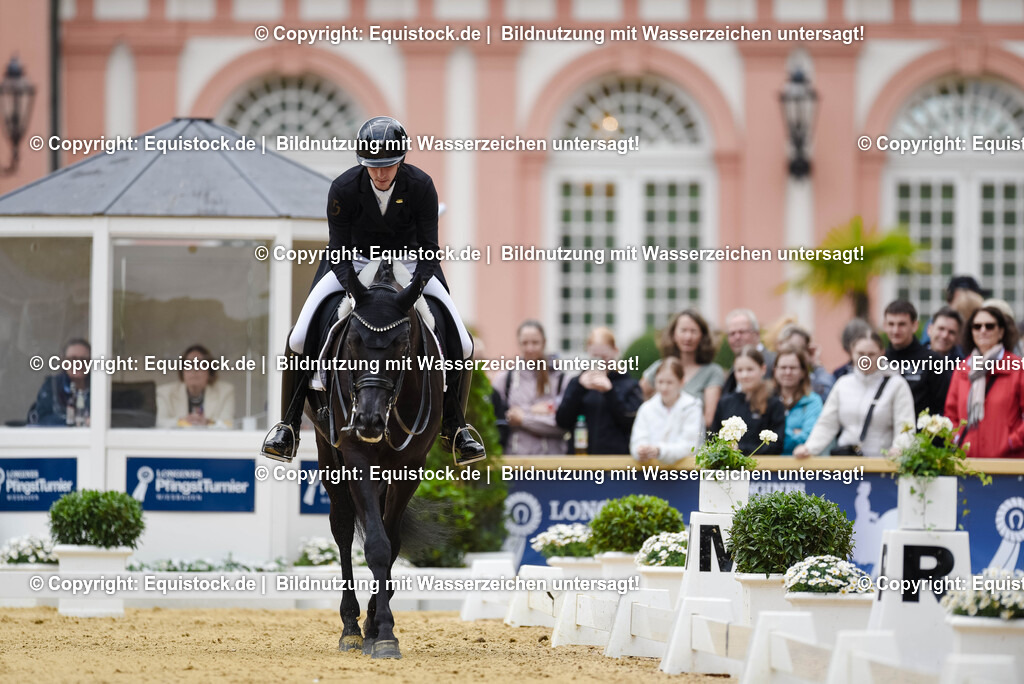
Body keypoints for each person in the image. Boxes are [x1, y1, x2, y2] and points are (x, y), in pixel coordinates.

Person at [261, 116, 485, 465]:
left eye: (388, 165)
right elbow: (337, 250)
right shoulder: (344, 187)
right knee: (300, 335)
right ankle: (287, 426)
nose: (380, 173)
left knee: (464, 342)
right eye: (373, 166)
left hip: (411, 261)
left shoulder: (421, 186)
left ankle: (456, 428)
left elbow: (430, 250)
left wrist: (412, 293)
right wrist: (356, 293)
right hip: (354, 260)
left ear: (402, 159)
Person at [795, 331, 915, 459]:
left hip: (882, 463)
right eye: (861, 354)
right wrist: (809, 448)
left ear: (882, 353)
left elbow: (905, 426)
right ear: (852, 353)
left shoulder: (897, 385)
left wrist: (900, 448)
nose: (865, 359)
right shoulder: (842, 384)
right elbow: (827, 424)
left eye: (871, 354)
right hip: (846, 462)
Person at [944, 305, 1024, 458]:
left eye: (989, 326)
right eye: (977, 326)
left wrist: (1012, 441)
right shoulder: (962, 369)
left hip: (1008, 462)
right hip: (967, 461)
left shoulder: (1017, 368)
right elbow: (951, 414)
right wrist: (957, 438)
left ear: (1001, 332)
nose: (983, 330)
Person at [556, 327, 643, 455]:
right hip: (581, 459)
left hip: (616, 461)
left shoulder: (628, 384)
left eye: (604, 357)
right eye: (595, 357)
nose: (600, 362)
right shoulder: (577, 383)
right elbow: (562, 421)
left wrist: (610, 392)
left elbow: (633, 423)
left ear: (615, 351)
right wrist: (579, 388)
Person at [639, 309, 725, 428]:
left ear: (702, 336)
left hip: (693, 436)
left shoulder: (712, 372)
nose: (688, 337)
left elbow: (709, 419)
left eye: (693, 331)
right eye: (683, 330)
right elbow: (637, 396)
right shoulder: (660, 367)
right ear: (673, 334)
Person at [493, 320, 569, 455]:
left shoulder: (561, 379)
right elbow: (498, 419)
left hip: (553, 460)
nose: (530, 348)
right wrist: (537, 412)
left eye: (535, 342)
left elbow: (563, 424)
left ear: (544, 342)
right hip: (515, 459)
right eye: (525, 343)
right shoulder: (505, 379)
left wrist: (522, 418)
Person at [711, 346, 785, 455]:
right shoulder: (725, 403)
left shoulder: (774, 404)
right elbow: (713, 438)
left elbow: (776, 445)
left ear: (763, 369)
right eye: (739, 370)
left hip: (762, 465)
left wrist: (740, 450)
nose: (744, 375)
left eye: (750, 369)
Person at [630, 357, 704, 465]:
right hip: (650, 472)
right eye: (660, 382)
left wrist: (659, 451)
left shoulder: (692, 406)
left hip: (685, 472)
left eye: (670, 382)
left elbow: (689, 446)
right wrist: (641, 451)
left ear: (681, 382)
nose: (664, 388)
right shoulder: (646, 408)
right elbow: (637, 441)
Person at [883, 299, 949, 416]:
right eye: (891, 324)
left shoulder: (933, 361)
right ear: (885, 326)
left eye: (902, 324)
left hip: (921, 427)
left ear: (914, 325)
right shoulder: (880, 360)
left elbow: (944, 407)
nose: (895, 330)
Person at [156, 344, 236, 428]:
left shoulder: (225, 392)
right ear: (182, 371)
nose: (194, 370)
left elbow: (229, 425)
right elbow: (159, 424)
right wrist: (182, 422)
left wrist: (208, 422)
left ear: (209, 371)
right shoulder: (165, 393)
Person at [28, 338, 91, 427]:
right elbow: (41, 419)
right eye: (72, 359)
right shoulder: (52, 386)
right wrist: (74, 422)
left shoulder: (99, 387)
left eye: (83, 360)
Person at [773, 346, 823, 454]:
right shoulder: (766, 399)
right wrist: (794, 432)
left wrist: (776, 434)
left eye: (793, 368)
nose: (788, 372)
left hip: (800, 462)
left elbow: (809, 439)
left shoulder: (812, 401)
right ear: (775, 370)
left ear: (803, 372)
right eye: (783, 367)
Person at [721, 309, 775, 394]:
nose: (737, 337)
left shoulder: (774, 363)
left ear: (756, 334)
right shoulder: (733, 369)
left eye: (742, 332)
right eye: (732, 333)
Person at [775, 324, 834, 400]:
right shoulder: (767, 375)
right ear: (780, 346)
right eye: (790, 347)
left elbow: (826, 395)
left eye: (800, 348)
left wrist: (816, 364)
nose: (788, 372)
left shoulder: (812, 381)